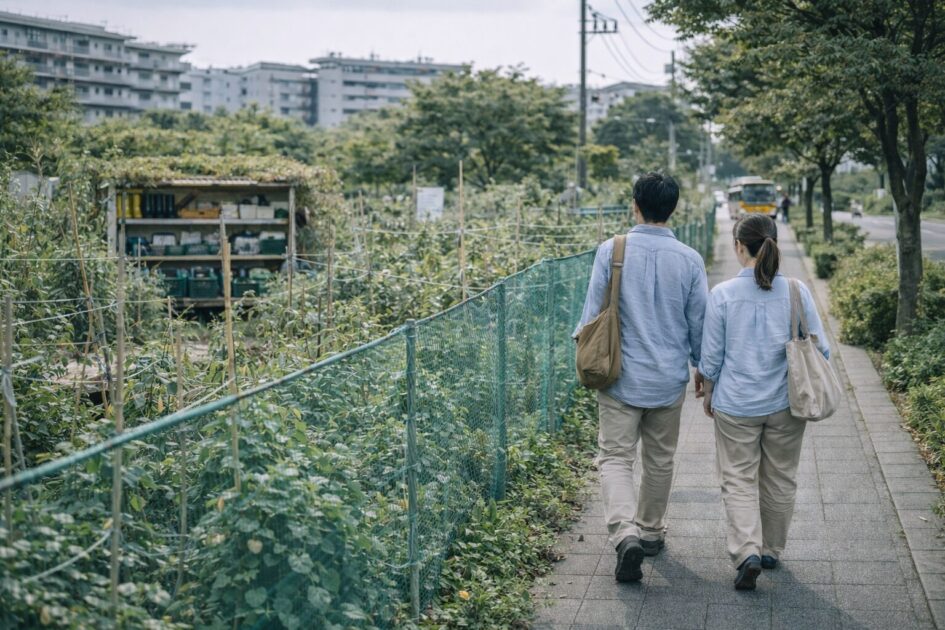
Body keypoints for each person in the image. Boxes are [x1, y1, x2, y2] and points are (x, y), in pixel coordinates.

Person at [573, 172, 708, 582]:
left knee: (615, 458)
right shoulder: (689, 258)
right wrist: (703, 367)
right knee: (660, 459)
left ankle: (624, 532)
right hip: (668, 380)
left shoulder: (610, 250)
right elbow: (699, 322)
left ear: (634, 204)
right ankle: (650, 532)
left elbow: (591, 314)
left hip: (618, 378)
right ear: (674, 208)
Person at [697, 214, 829, 591]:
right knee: (781, 476)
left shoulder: (721, 294)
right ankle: (771, 550)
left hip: (736, 405)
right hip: (788, 404)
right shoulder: (797, 291)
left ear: (739, 247)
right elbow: (824, 351)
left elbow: (710, 358)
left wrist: (708, 390)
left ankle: (746, 551)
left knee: (737, 478)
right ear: (774, 244)